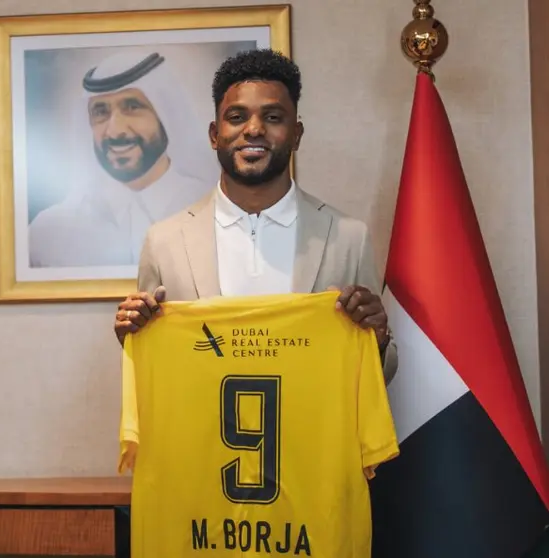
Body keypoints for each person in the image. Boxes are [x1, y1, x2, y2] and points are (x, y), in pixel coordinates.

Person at [113, 48, 397, 383]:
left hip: (312, 433)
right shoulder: (164, 241)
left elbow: (381, 374)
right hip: (205, 435)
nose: (254, 129)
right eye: (236, 117)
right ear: (214, 135)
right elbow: (156, 370)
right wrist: (133, 337)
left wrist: (377, 338)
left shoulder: (348, 237)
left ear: (297, 135)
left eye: (273, 117)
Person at [27, 49, 215, 268]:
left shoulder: (214, 213)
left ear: (165, 115)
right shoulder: (48, 232)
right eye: (100, 112)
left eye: (132, 107)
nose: (115, 131)